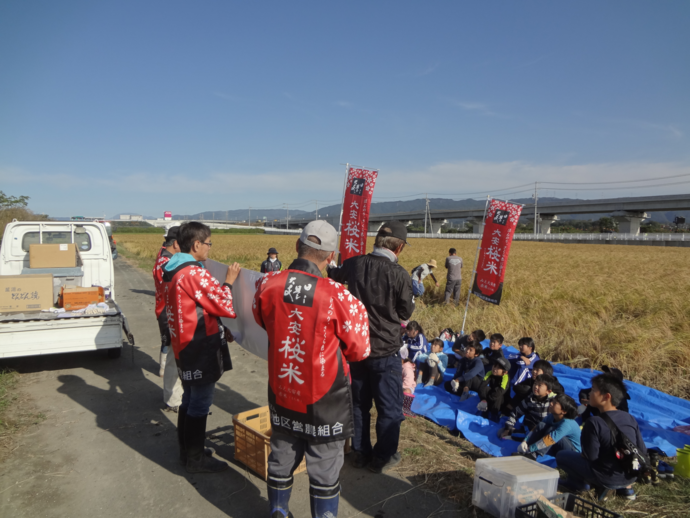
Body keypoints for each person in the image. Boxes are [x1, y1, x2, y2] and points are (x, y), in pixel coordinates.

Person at [253, 221, 371, 518]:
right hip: (325, 396)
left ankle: (278, 511)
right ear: (331, 257)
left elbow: (260, 319)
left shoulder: (267, 283)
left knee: (281, 453)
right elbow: (359, 349)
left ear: (296, 246)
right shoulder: (340, 296)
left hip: (284, 387)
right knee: (325, 465)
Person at [327, 221, 415, 474]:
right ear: (398, 248)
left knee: (358, 403)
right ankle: (382, 456)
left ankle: (359, 452)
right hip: (385, 350)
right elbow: (405, 311)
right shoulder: (399, 274)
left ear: (377, 241)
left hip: (355, 347)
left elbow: (334, 276)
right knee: (389, 407)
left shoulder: (355, 264)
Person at [162, 221, 241, 474]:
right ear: (196, 244)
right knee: (200, 402)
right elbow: (221, 303)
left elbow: (196, 308)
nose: (209, 248)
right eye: (208, 243)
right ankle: (195, 460)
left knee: (188, 398)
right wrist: (228, 282)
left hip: (183, 344)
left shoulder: (175, 269)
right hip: (199, 345)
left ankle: (187, 450)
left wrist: (220, 327)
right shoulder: (194, 273)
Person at [557, 373, 647, 501]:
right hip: (630, 475)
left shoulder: (594, 422)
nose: (589, 393)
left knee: (562, 455)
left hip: (606, 477)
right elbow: (642, 450)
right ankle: (626, 488)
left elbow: (590, 457)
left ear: (606, 396)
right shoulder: (630, 418)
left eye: (593, 389)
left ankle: (581, 484)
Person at [152, 226, 183, 412]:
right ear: (176, 243)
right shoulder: (167, 263)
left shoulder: (163, 256)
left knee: (172, 355)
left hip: (164, 309)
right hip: (167, 311)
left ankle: (173, 395)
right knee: (173, 357)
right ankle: (173, 399)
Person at [517, 394, 582, 460]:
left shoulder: (567, 424)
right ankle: (526, 451)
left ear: (563, 411)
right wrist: (525, 441)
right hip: (555, 446)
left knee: (551, 430)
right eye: (552, 401)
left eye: (555, 403)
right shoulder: (551, 416)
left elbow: (550, 439)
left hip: (572, 453)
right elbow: (538, 427)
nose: (551, 403)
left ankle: (533, 454)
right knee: (542, 425)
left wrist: (530, 448)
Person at [476, 357, 511, 422]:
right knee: (486, 388)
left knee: (499, 394)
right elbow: (481, 386)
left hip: (501, 403)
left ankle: (494, 415)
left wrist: (487, 400)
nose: (495, 369)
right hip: (491, 397)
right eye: (495, 366)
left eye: (498, 368)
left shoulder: (505, 378)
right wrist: (483, 399)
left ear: (505, 372)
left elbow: (499, 392)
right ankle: (485, 410)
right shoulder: (489, 373)